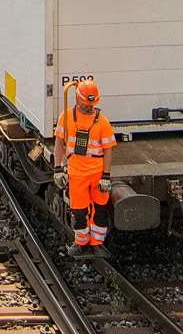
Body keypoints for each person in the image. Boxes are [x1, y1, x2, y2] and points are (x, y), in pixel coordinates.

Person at [54, 78, 116, 252]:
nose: (89, 108)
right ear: (78, 100)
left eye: (92, 104)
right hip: (77, 173)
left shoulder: (102, 122)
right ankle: (80, 243)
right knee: (79, 211)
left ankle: (97, 243)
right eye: (85, 104)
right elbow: (59, 143)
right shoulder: (66, 117)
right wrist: (57, 168)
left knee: (100, 209)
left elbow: (108, 149)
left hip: (96, 172)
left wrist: (106, 175)